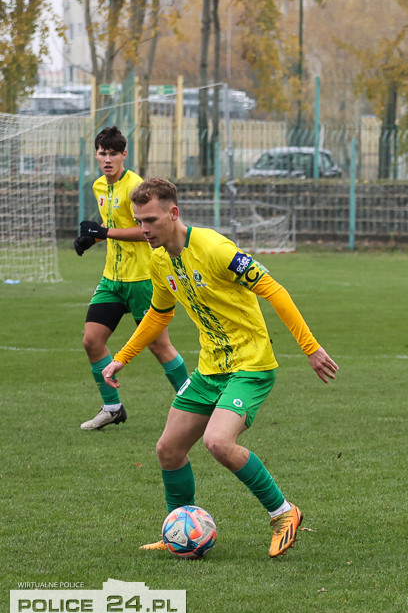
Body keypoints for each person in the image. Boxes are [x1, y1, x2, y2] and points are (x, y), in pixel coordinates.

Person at [101, 177, 338, 557]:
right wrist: (121, 357)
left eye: (150, 220)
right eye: (139, 221)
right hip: (210, 368)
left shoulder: (214, 248)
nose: (143, 229)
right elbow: (158, 315)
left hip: (251, 364)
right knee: (168, 450)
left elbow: (273, 289)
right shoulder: (160, 260)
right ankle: (179, 529)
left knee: (217, 442)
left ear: (173, 213)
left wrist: (310, 348)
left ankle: (283, 512)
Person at [75, 126, 190, 430]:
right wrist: (93, 239)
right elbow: (112, 224)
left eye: (114, 153)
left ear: (124, 155)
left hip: (142, 279)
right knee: (92, 340)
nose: (108, 158)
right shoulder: (99, 185)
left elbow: (146, 230)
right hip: (112, 278)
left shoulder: (136, 186)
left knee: (159, 346)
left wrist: (105, 232)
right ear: (97, 155)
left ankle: (196, 407)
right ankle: (112, 408)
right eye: (103, 153)